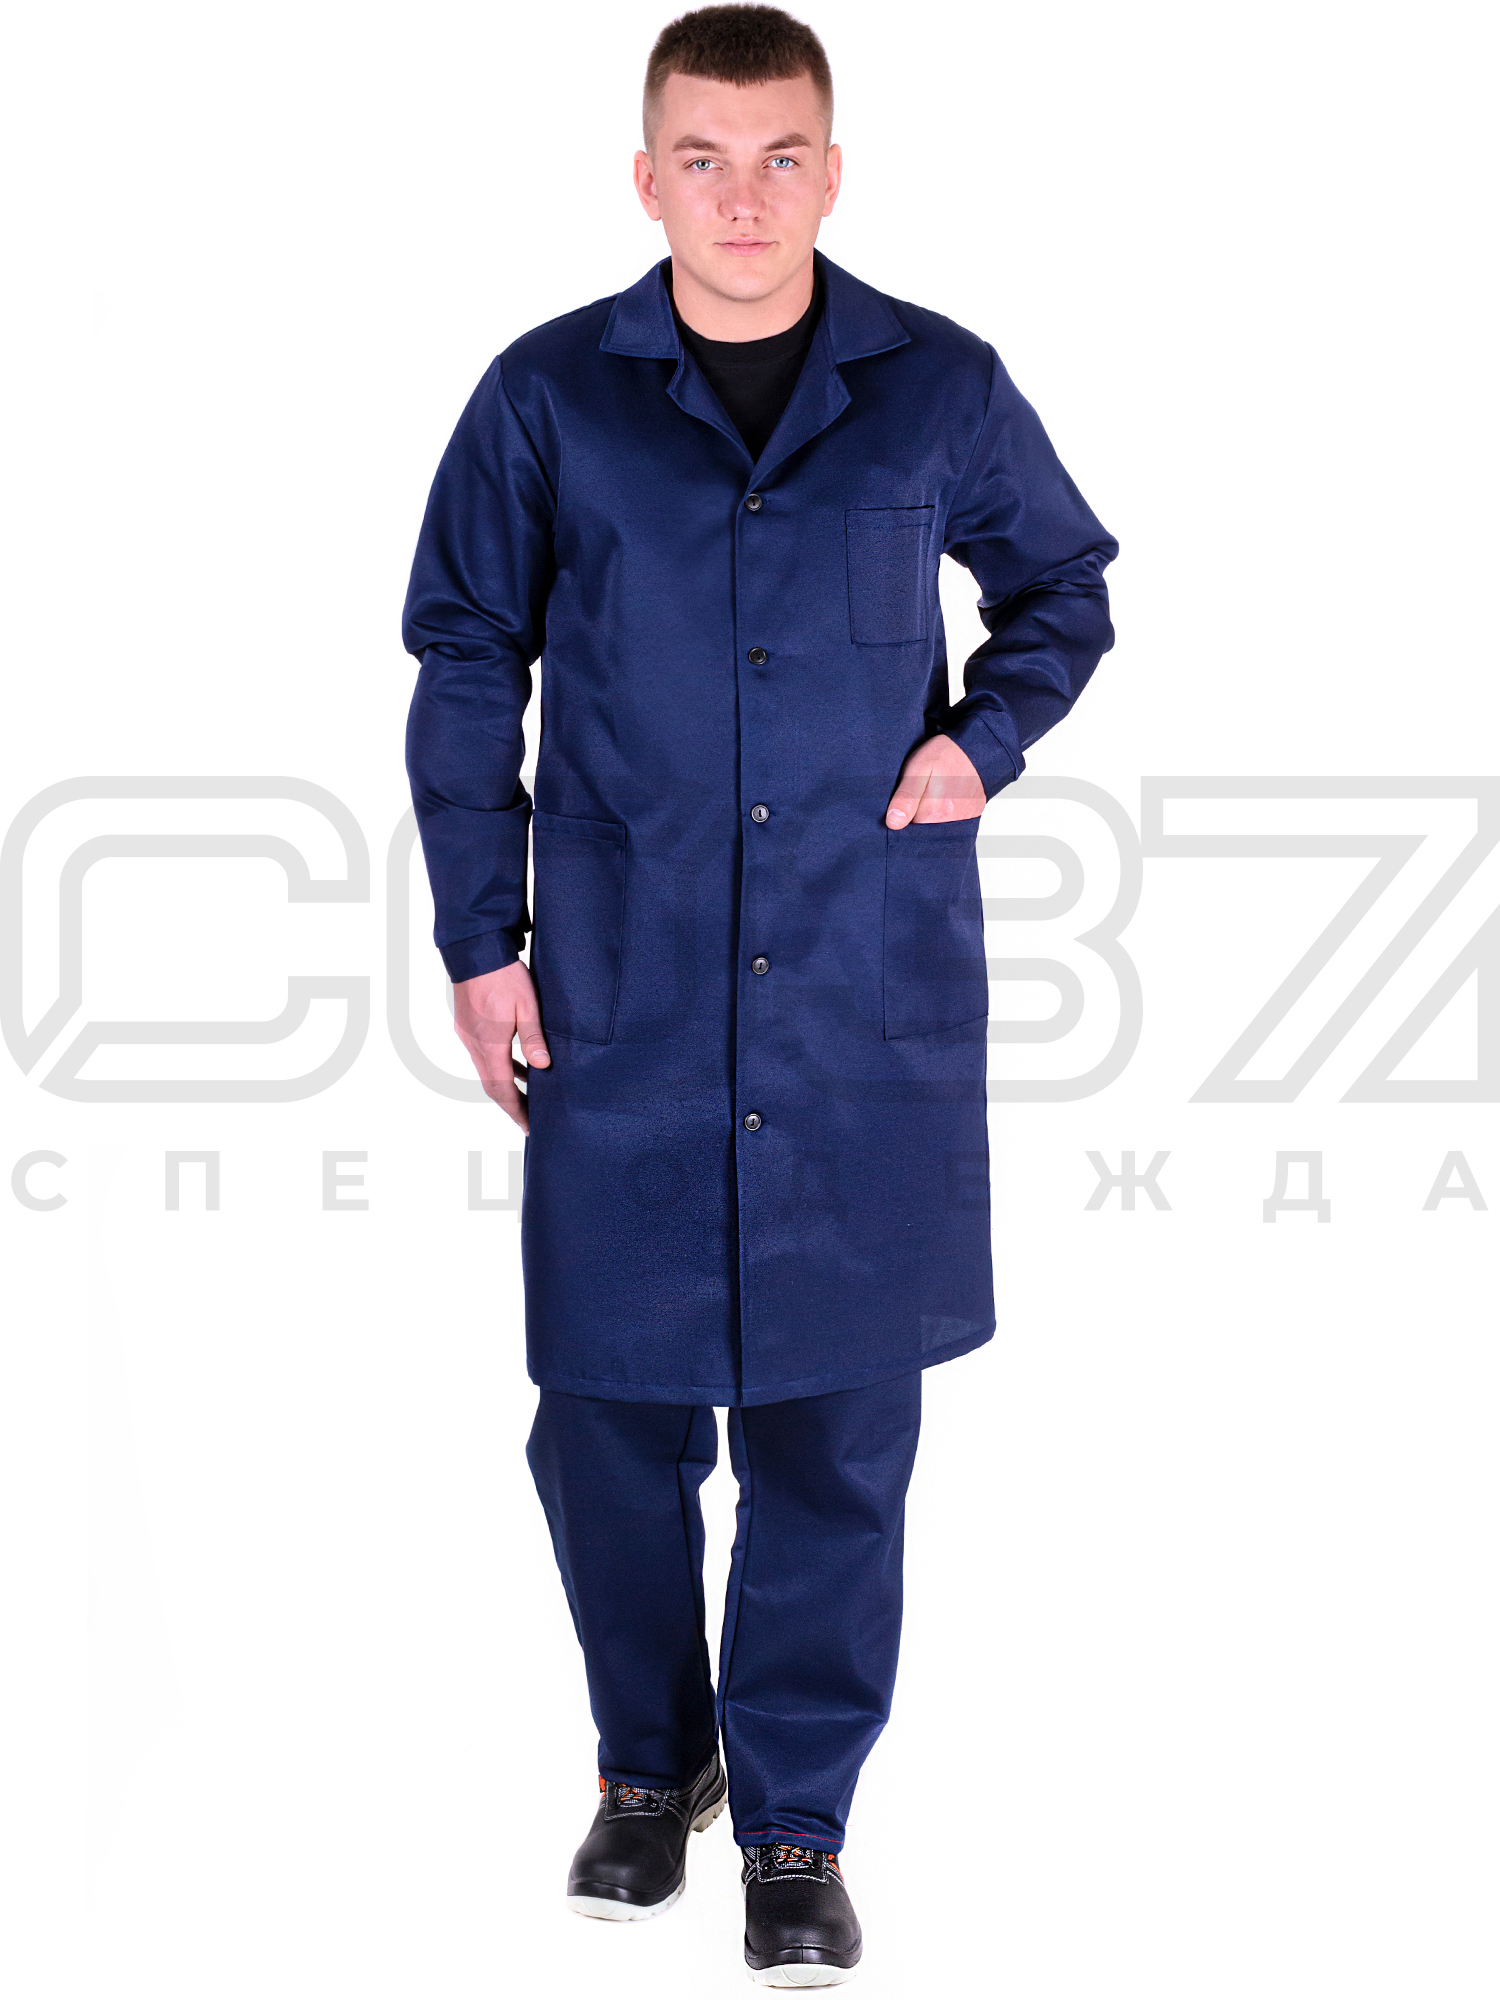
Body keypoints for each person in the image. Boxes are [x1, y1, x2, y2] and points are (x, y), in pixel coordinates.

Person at [401, 5, 1116, 1984]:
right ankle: (653, 1766)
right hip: (621, 980)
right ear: (646, 180)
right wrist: (479, 937)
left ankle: (800, 1818)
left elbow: (1064, 586)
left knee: (834, 1429)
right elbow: (464, 661)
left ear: (833, 171)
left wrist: (983, 743)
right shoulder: (548, 397)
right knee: (605, 1415)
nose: (743, 197)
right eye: (703, 160)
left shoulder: (938, 389)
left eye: (781, 155)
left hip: (860, 985)